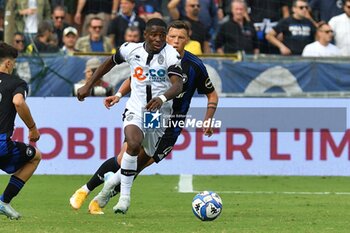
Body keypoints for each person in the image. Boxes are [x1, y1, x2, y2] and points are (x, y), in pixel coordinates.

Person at [69, 20, 218, 215]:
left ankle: (104, 194)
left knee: (136, 166)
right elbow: (135, 78)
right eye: (172, 36)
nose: (175, 41)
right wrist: (119, 95)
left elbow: (211, 94)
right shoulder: (148, 54)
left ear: (188, 40)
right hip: (146, 111)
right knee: (126, 155)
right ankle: (86, 191)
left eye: (180, 38)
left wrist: (208, 118)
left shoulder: (194, 66)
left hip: (171, 122)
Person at [0, 42, 42, 220]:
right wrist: (32, 128)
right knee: (35, 156)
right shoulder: (16, 83)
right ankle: (4, 201)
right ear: (9, 63)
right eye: (14, 63)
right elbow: (18, 102)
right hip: (1, 144)